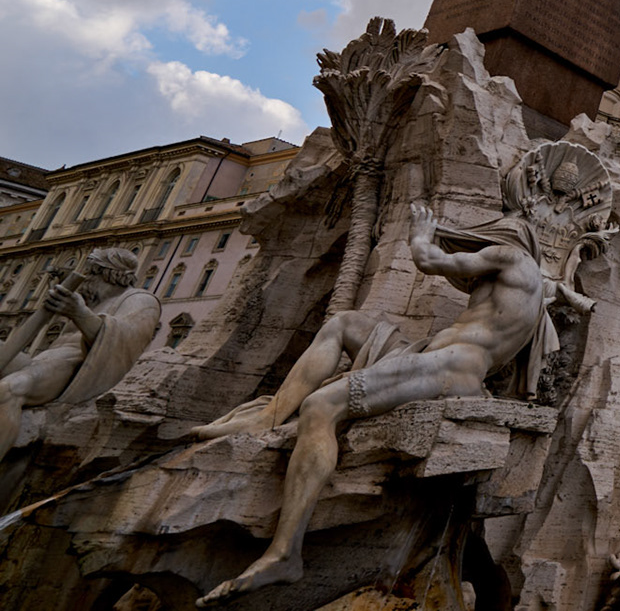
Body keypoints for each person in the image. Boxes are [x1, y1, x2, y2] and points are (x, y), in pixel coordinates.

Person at [191, 201, 549, 603]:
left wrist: (420, 233)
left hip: (451, 368)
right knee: (342, 323)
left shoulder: (511, 256)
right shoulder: (523, 283)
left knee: (321, 406)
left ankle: (284, 553)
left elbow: (430, 261)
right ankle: (269, 416)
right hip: (430, 356)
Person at [0, 248, 160, 460]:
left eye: (92, 273)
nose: (86, 278)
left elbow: (124, 342)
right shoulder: (94, 301)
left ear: (110, 274)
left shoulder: (140, 300)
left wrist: (80, 313)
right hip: (40, 362)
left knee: (8, 389)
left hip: (73, 370)